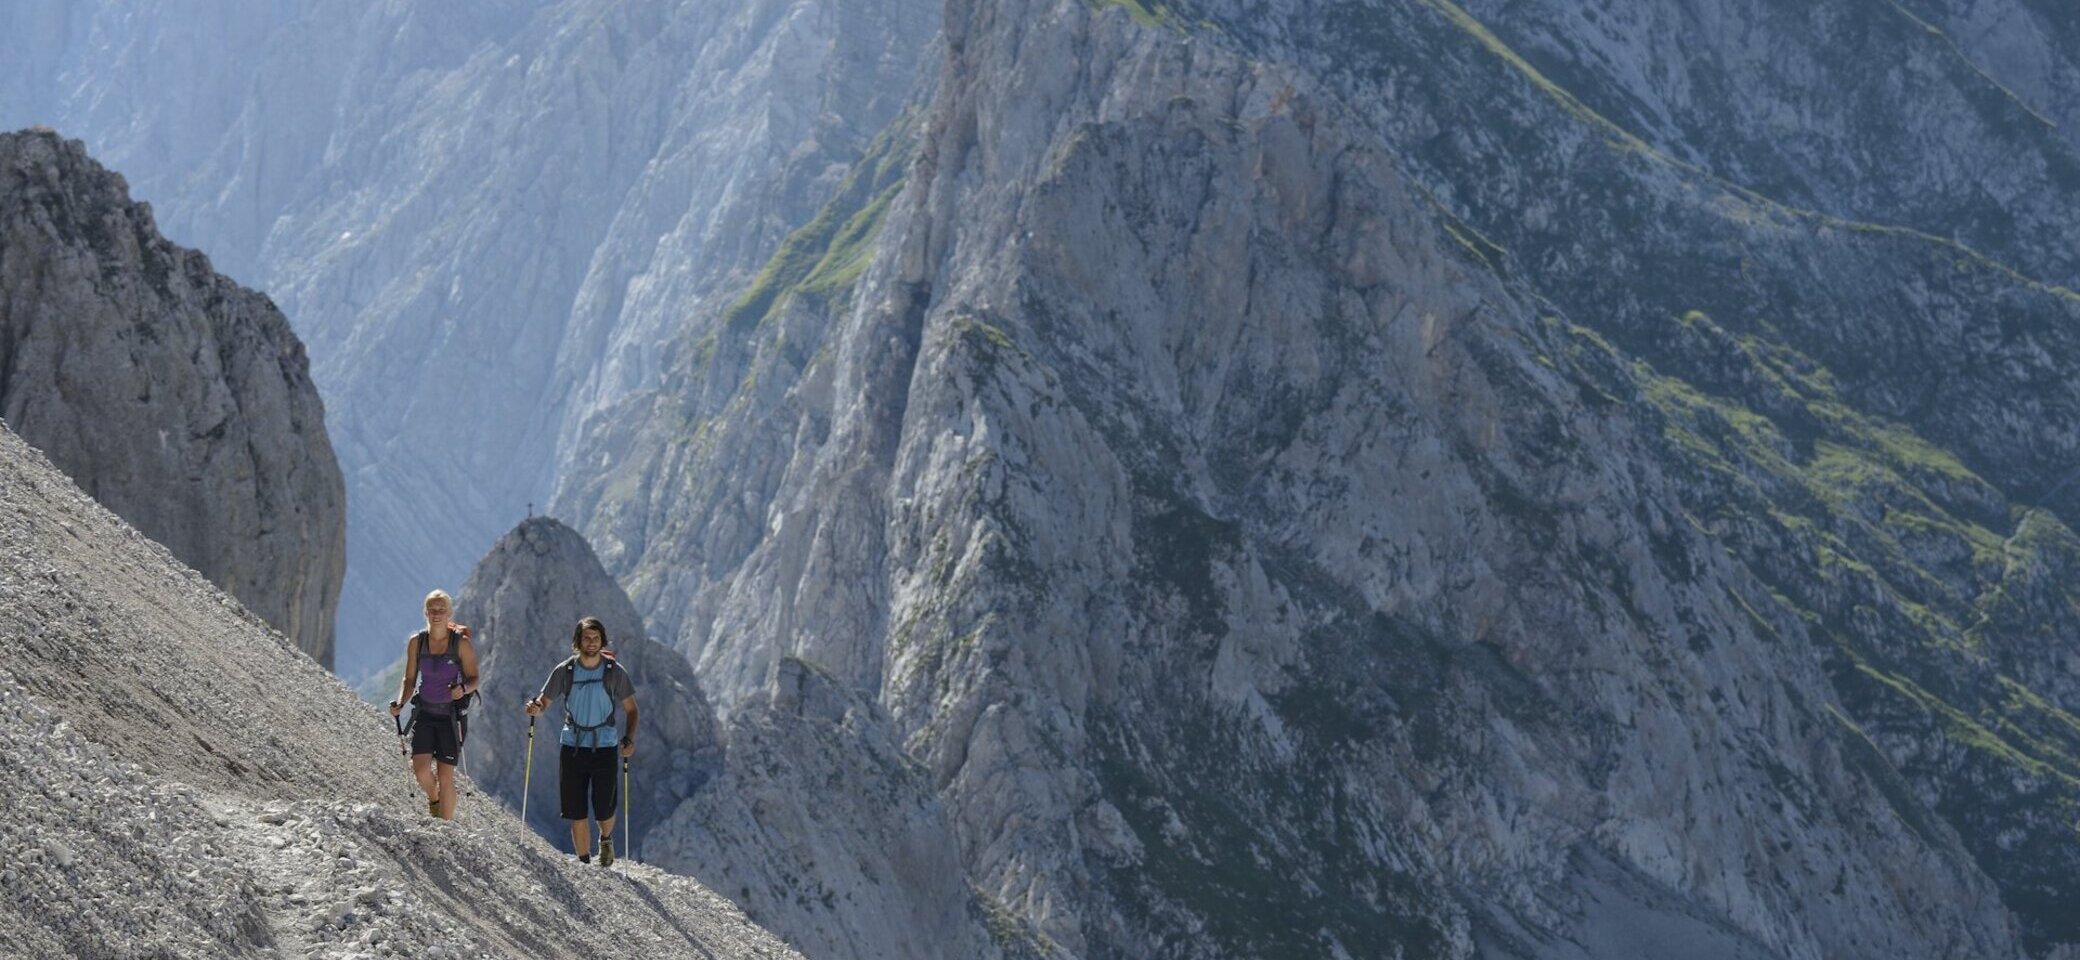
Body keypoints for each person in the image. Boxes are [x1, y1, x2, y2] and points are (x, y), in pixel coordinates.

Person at [524, 616, 638, 865]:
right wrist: (535, 708)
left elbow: (632, 709)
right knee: (576, 808)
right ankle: (585, 862)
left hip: (605, 745)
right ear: (578, 641)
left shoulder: (614, 672)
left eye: (596, 638)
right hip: (572, 745)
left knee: (604, 806)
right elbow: (544, 702)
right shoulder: (565, 671)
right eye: (586, 638)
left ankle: (605, 839)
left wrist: (628, 738)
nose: (591, 642)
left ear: (602, 640)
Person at [388, 589, 481, 820]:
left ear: (449, 613)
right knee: (420, 771)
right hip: (426, 713)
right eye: (432, 610)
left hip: (451, 716)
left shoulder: (461, 644)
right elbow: (409, 679)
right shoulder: (416, 643)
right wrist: (401, 702)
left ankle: (446, 828)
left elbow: (474, 679)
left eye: (441, 610)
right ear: (425, 613)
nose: (437, 614)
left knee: (446, 775)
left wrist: (463, 690)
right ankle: (434, 798)